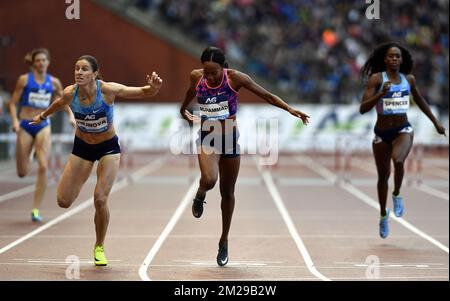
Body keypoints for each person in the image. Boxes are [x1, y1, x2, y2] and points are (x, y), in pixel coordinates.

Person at [180, 47, 310, 266]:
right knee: (210, 180)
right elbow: (190, 92)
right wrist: (183, 109)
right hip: (208, 137)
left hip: (230, 137)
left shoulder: (235, 79)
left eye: (214, 72)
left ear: (224, 68)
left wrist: (289, 109)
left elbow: (266, 95)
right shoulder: (196, 77)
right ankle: (201, 193)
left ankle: (223, 241)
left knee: (228, 193)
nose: (209, 77)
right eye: (206, 72)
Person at [30, 55, 163, 266]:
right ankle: (79, 182)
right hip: (82, 148)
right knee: (63, 201)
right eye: (76, 69)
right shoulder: (69, 93)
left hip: (108, 147)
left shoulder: (108, 90)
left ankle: (99, 246)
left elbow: (142, 91)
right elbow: (58, 103)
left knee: (100, 199)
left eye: (84, 69)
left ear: (94, 74)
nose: (79, 73)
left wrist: (153, 87)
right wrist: (43, 116)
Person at [360, 42, 446, 239]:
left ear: (402, 60)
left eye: (397, 56)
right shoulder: (376, 79)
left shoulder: (409, 80)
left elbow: (421, 101)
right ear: (385, 59)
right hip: (381, 133)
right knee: (383, 177)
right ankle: (383, 214)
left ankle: (397, 193)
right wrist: (381, 94)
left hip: (403, 129)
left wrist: (436, 123)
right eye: (391, 56)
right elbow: (363, 108)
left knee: (398, 160)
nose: (394, 59)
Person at [8, 48, 75, 223]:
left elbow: (63, 101)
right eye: (38, 60)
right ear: (33, 63)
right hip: (25, 124)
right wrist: (15, 121)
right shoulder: (24, 80)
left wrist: (71, 116)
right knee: (22, 172)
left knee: (44, 166)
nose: (41, 63)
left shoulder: (54, 82)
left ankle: (36, 209)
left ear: (48, 62)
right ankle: (30, 155)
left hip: (43, 124)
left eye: (44, 60)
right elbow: (13, 103)